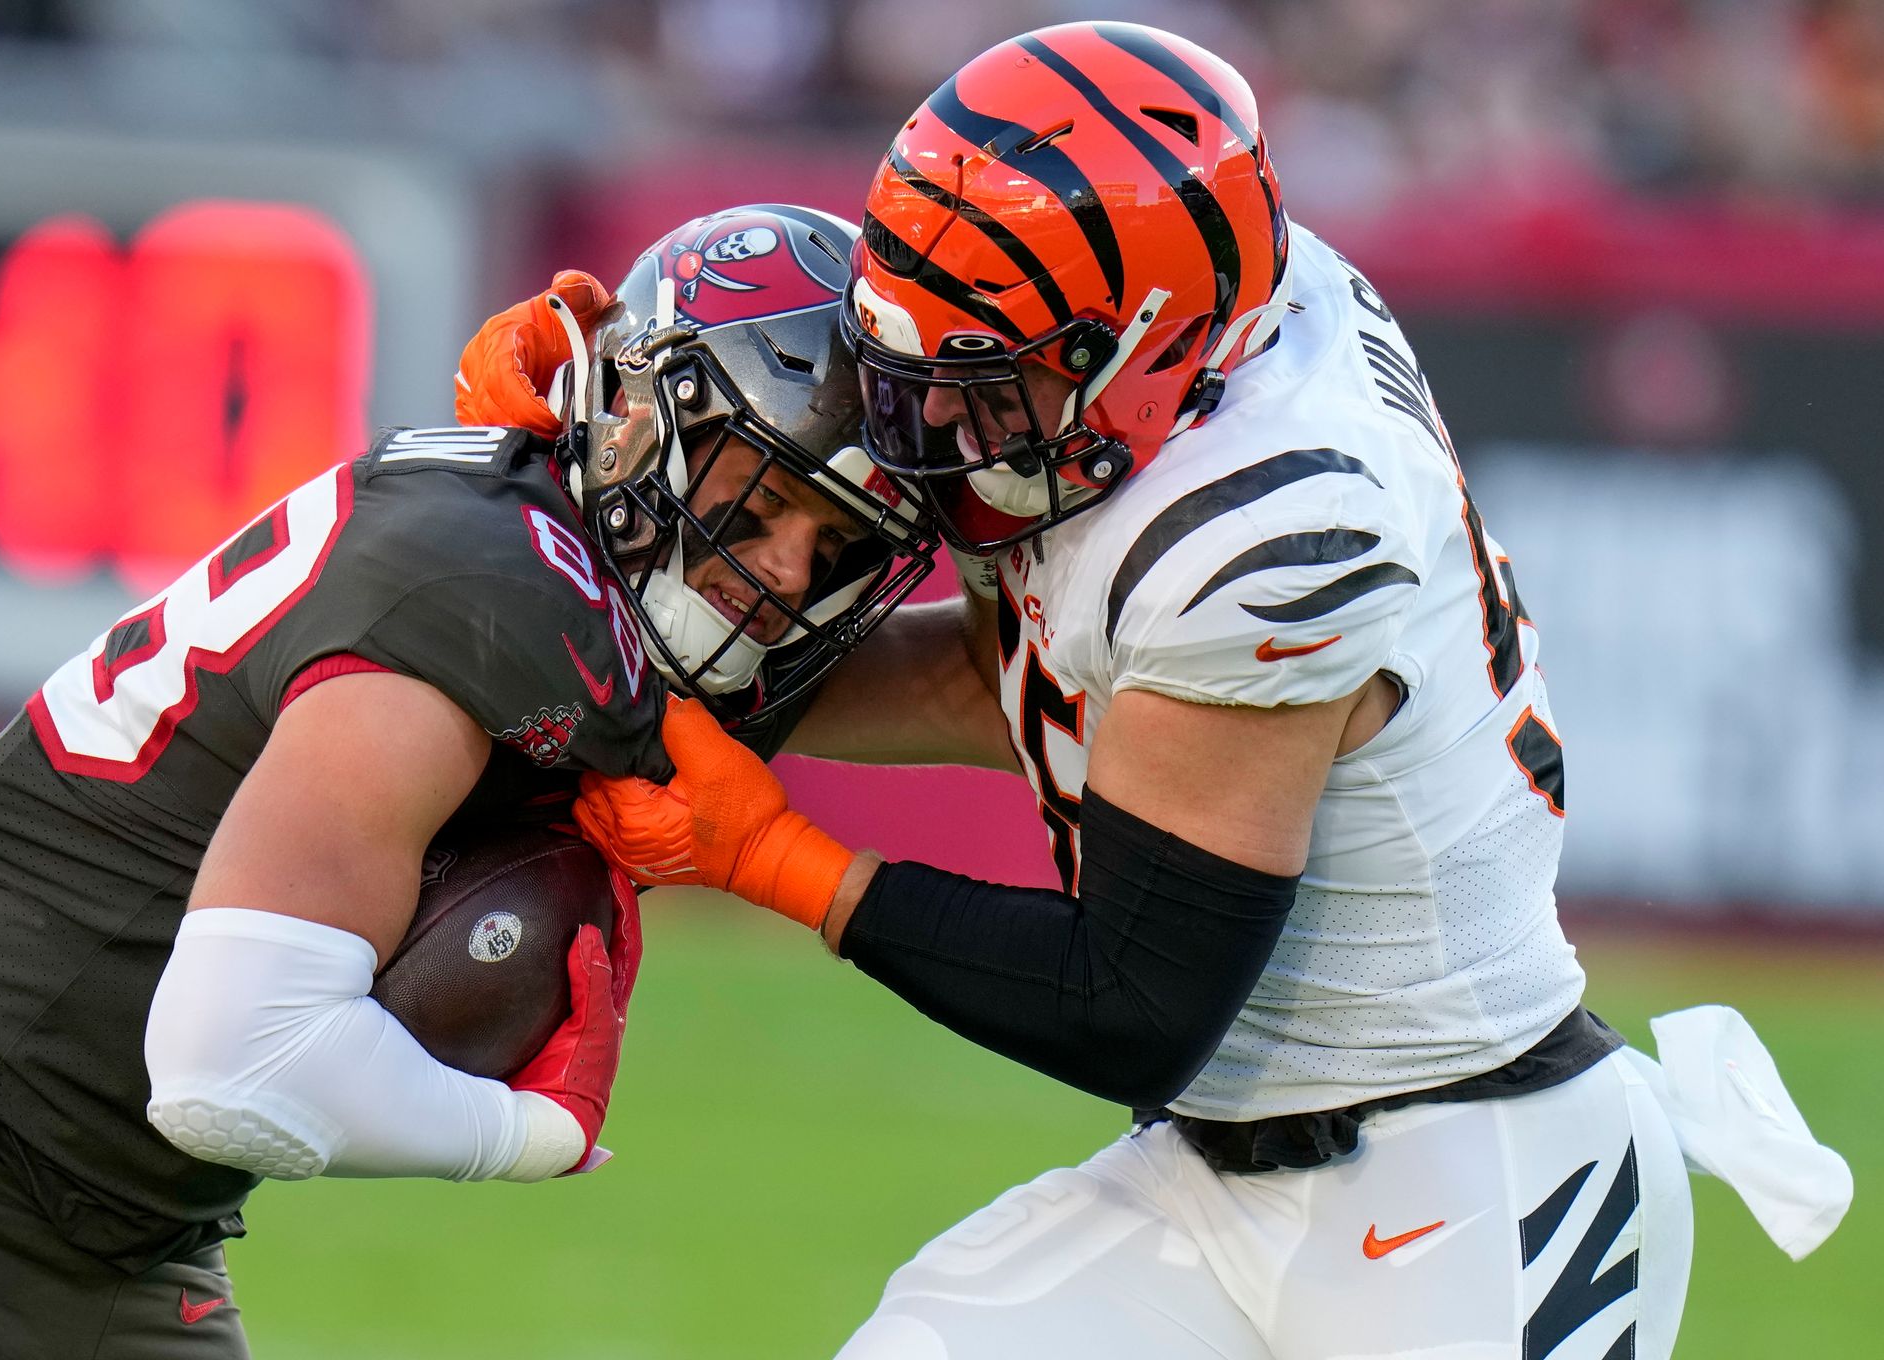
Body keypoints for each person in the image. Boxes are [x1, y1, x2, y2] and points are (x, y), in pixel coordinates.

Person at [566, 25, 1849, 1358]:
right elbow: (1011, 678)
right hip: (1210, 1172)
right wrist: (600, 632)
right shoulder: (1198, 341)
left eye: (991, 382)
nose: (939, 429)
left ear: (1151, 350)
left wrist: (767, 854)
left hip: (1473, 1181)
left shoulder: (1269, 518)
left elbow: (1131, 1004)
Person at [0, 202, 931, 1359]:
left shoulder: (606, 595)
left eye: (841, 545)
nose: (782, 570)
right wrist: (536, 1134)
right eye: (755, 502)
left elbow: (981, 682)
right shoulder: (489, 589)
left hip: (132, 1240)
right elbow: (230, 1064)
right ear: (637, 424)